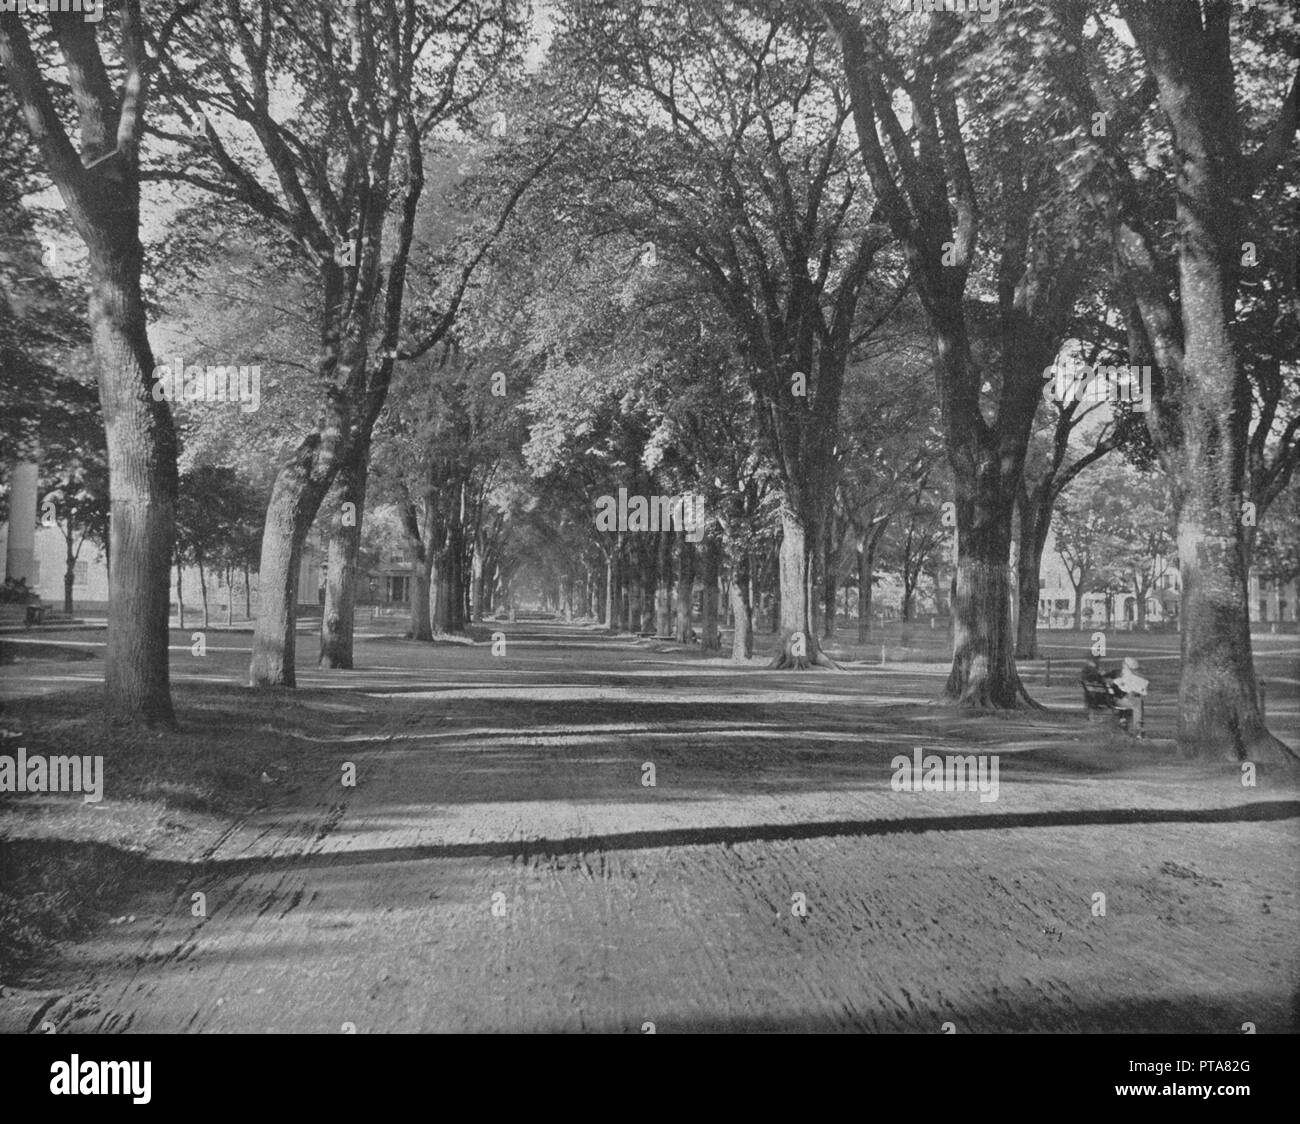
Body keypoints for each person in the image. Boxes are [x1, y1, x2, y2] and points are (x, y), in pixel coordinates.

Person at [1113, 656, 1148, 737]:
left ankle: (1123, 720)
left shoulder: (1120, 677)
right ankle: (1138, 728)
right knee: (1138, 703)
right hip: (1121, 702)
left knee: (1135, 702)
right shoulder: (1132, 678)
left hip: (1113, 701)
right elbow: (1143, 693)